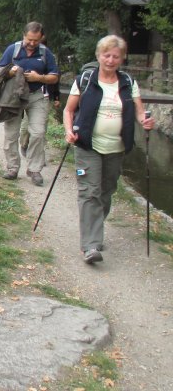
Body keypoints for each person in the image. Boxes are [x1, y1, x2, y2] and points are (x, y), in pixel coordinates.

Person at [62, 34, 155, 264]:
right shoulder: (85, 79)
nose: (111, 60)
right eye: (107, 55)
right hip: (87, 145)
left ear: (122, 59)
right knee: (89, 191)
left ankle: (94, 229)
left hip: (117, 147)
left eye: (116, 56)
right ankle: (91, 245)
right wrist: (68, 131)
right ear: (98, 56)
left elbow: (140, 111)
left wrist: (145, 121)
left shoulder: (127, 83)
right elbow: (68, 110)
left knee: (106, 191)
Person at [0, 22, 60, 185]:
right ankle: (12, 168)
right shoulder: (13, 49)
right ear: (24, 35)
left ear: (41, 38)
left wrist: (40, 78)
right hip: (14, 96)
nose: (32, 44)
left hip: (36, 95)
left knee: (38, 133)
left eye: (36, 40)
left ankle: (34, 169)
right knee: (11, 134)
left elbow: (54, 76)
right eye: (29, 40)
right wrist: (11, 72)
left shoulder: (46, 53)